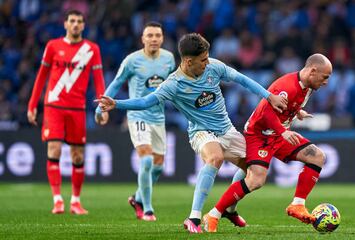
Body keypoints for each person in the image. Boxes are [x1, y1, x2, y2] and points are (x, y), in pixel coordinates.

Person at [96, 33, 287, 233]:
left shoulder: (214, 66)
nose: (207, 63)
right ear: (188, 61)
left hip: (227, 130)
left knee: (255, 170)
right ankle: (194, 218)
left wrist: (269, 96)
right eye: (202, 60)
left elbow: (242, 79)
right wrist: (117, 103)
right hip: (200, 132)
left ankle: (230, 209)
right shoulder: (173, 84)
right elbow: (146, 101)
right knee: (215, 158)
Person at [202, 53, 332, 232]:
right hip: (259, 135)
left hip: (279, 134)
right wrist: (283, 132)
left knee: (317, 156)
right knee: (256, 180)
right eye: (325, 77)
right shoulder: (287, 87)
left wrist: (296, 111)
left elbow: (288, 104)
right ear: (313, 71)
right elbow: (266, 112)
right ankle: (213, 214)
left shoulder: (308, 86)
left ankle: (297, 205)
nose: (326, 82)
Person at [27, 10, 108, 215]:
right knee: (54, 149)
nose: (75, 25)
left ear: (83, 25)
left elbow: (98, 80)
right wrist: (32, 105)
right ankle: (57, 201)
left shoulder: (92, 49)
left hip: (77, 108)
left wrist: (103, 107)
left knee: (78, 156)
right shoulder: (53, 46)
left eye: (79, 21)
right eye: (72, 21)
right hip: (53, 105)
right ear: (65, 24)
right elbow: (41, 76)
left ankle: (75, 201)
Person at [95, 22, 175, 221]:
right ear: (143, 39)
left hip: (158, 117)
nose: (154, 39)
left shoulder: (169, 59)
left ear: (163, 38)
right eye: (150, 35)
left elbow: (173, 87)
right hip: (137, 116)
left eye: (158, 35)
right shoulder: (132, 60)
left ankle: (137, 198)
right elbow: (116, 83)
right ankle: (147, 209)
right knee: (146, 159)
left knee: (157, 167)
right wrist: (100, 108)